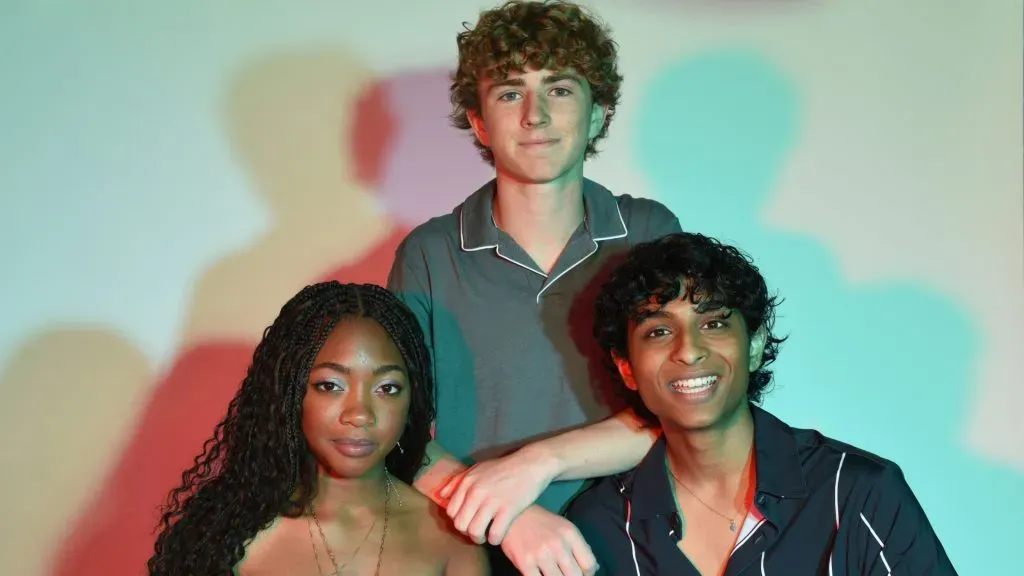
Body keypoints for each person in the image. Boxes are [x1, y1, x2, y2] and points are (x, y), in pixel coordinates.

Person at [386, 1, 681, 573]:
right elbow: (394, 428)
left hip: (642, 543)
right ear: (478, 121)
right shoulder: (428, 254)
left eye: (560, 89)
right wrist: (511, 516)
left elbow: (685, 408)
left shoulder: (649, 233)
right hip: (477, 550)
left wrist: (538, 463)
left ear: (598, 113)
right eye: (509, 92)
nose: (535, 116)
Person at [561, 232, 957, 574]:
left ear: (753, 345)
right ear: (626, 366)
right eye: (659, 330)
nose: (689, 350)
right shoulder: (598, 526)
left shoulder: (856, 493)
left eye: (713, 323)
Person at [147, 282, 487, 575]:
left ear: (413, 400)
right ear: (291, 394)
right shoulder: (230, 538)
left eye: (387, 388)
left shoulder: (452, 541)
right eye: (330, 385)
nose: (359, 414)